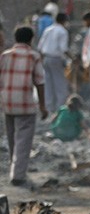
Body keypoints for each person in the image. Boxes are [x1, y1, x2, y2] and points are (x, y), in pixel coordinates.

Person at [0, 26, 47, 186]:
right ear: (31, 39)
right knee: (23, 139)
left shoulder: (5, 55)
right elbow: (40, 82)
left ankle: (15, 168)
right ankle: (18, 175)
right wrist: (42, 106)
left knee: (13, 137)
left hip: (7, 102)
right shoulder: (33, 56)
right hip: (25, 103)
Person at [37, 12, 70, 114]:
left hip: (46, 58)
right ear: (64, 21)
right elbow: (63, 48)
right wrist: (72, 57)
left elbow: (40, 46)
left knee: (48, 84)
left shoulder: (48, 29)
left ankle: (49, 108)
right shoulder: (62, 31)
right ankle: (60, 108)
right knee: (59, 84)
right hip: (56, 59)